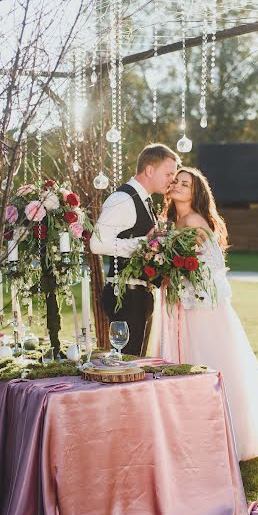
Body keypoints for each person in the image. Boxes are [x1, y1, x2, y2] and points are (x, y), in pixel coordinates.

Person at [157, 166, 258, 461]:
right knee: (183, 365)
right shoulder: (170, 220)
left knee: (205, 363)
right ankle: (187, 432)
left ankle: (218, 435)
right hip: (179, 304)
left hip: (200, 308)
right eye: (175, 181)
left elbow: (209, 267)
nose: (176, 186)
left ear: (195, 192)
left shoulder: (194, 220)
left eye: (184, 184)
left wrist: (175, 272)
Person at [90, 143, 181, 356]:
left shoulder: (145, 201)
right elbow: (97, 243)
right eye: (168, 173)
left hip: (139, 294)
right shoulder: (123, 199)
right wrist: (144, 243)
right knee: (126, 362)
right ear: (150, 170)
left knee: (134, 361)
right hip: (125, 296)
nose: (172, 179)